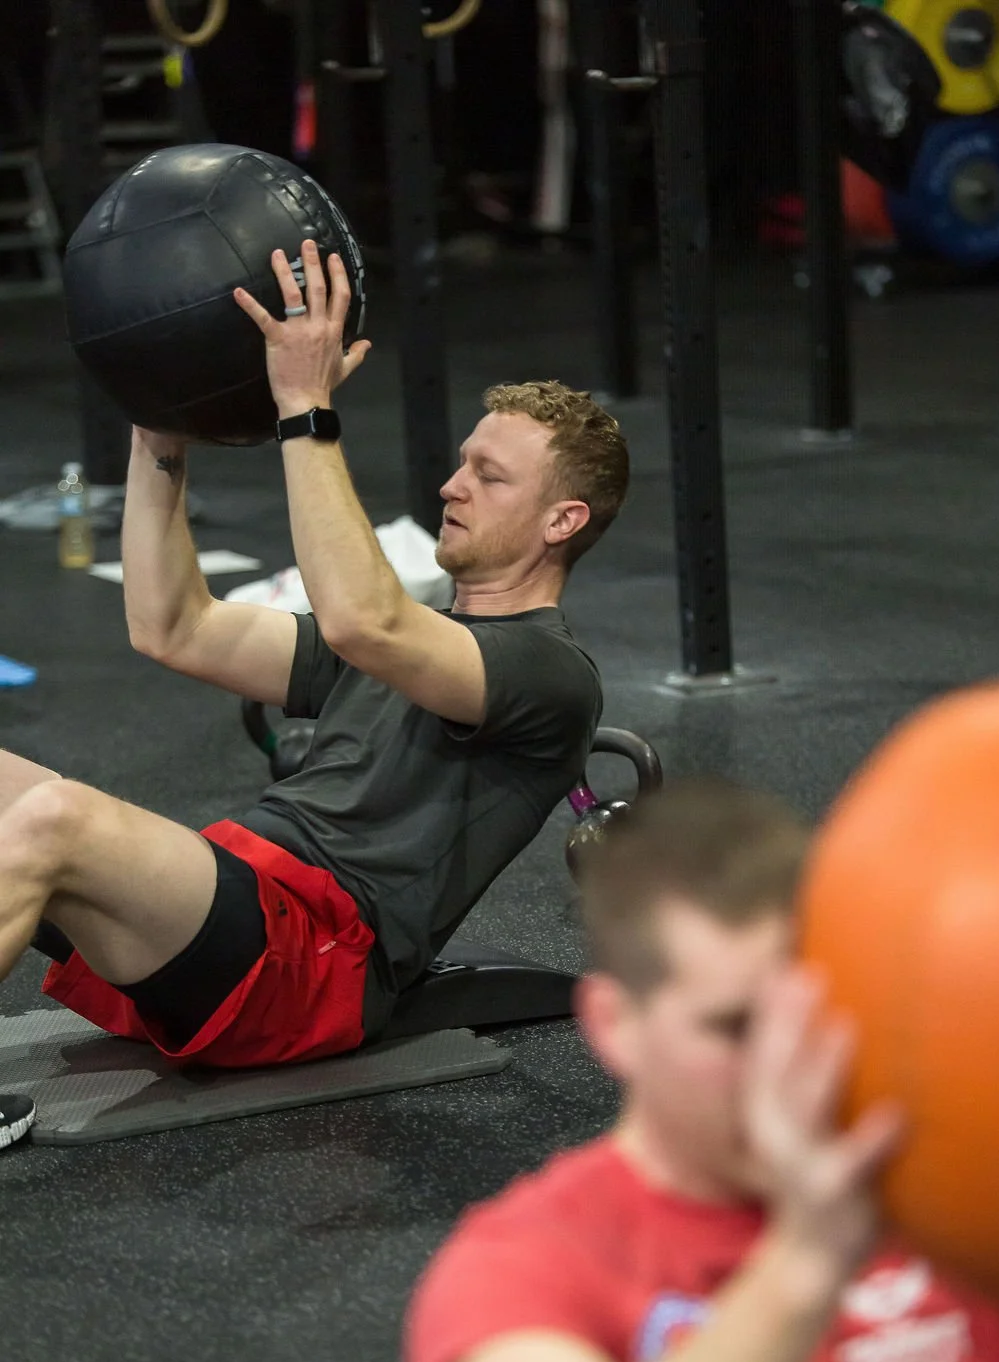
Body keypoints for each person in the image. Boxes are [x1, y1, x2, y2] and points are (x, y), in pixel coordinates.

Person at [0, 241, 627, 1068]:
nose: (452, 486)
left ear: (563, 522)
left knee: (57, 818)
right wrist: (161, 431)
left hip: (315, 959)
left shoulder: (549, 673)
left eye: (490, 476)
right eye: (460, 464)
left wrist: (304, 405)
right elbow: (173, 626)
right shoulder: (401, 640)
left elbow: (367, 622)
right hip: (236, 908)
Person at [404, 778, 999, 1362]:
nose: (783, 1064)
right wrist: (809, 1255)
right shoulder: (519, 1265)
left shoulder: (940, 1188)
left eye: (813, 1010)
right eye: (734, 1028)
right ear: (614, 1022)